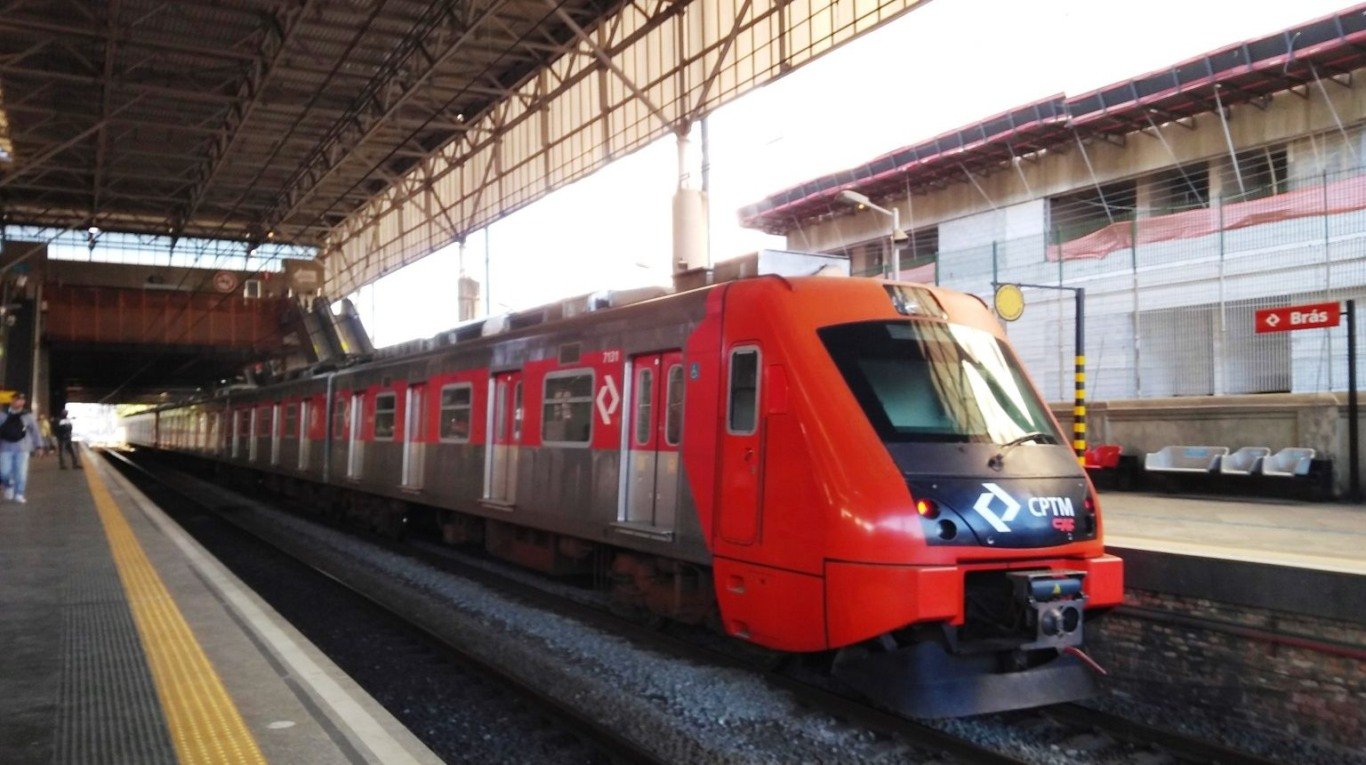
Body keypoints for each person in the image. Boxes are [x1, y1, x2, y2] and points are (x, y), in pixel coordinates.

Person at [0, 393, 44, 503]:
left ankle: (19, 493)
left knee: (21, 473)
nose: (19, 402)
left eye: (21, 400)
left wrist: (39, 446)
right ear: (12, 401)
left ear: (23, 402)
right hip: (5, 448)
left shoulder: (28, 416)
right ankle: (8, 485)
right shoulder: (2, 415)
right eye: (17, 400)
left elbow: (35, 432)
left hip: (23, 449)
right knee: (4, 472)